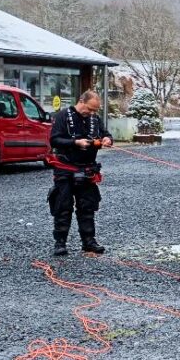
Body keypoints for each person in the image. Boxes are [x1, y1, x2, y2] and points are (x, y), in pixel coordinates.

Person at [47, 90, 113, 256]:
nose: (91, 113)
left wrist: (107, 139)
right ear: (81, 101)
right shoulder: (62, 116)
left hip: (87, 169)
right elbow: (54, 139)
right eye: (89, 109)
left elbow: (105, 134)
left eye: (94, 111)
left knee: (87, 207)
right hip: (65, 168)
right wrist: (75, 142)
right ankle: (60, 242)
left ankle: (89, 242)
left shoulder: (95, 119)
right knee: (63, 206)